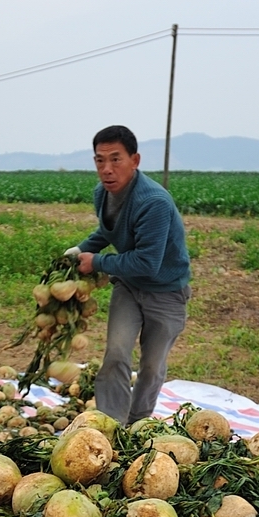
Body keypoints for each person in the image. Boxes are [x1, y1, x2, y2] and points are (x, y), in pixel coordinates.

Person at [68, 125, 191, 424]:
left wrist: (96, 262)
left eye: (115, 159)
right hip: (129, 287)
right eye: (100, 160)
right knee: (117, 353)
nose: (106, 169)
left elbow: (147, 263)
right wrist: (76, 253)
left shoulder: (153, 203)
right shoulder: (103, 194)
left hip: (166, 291)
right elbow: (108, 231)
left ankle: (136, 424)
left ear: (134, 160)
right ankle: (111, 423)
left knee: (151, 366)